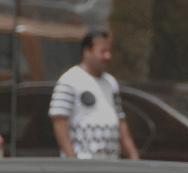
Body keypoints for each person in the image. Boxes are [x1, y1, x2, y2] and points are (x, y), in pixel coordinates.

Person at [48, 30, 139, 160]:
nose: (108, 56)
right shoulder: (70, 80)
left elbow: (120, 121)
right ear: (87, 51)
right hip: (83, 163)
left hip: (110, 163)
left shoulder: (111, 82)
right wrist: (71, 159)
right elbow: (59, 122)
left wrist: (133, 155)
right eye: (103, 51)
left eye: (109, 51)